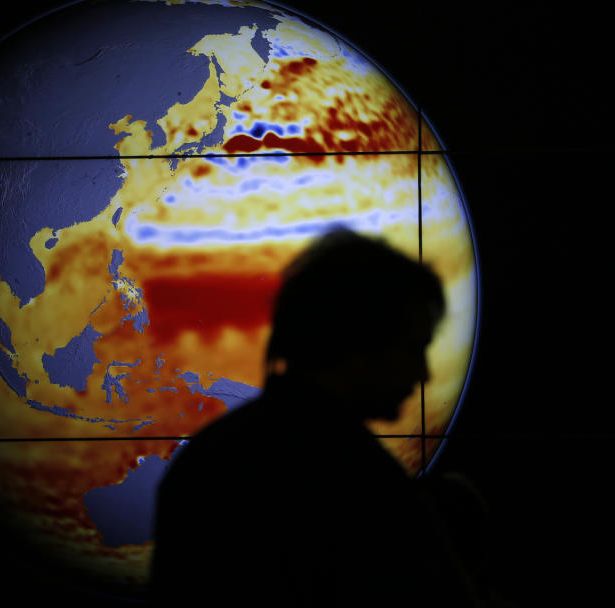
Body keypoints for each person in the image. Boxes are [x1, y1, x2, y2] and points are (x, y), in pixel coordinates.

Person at [149, 228, 482, 607]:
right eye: (413, 347)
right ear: (360, 342)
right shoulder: (364, 490)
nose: (423, 374)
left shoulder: (206, 461)